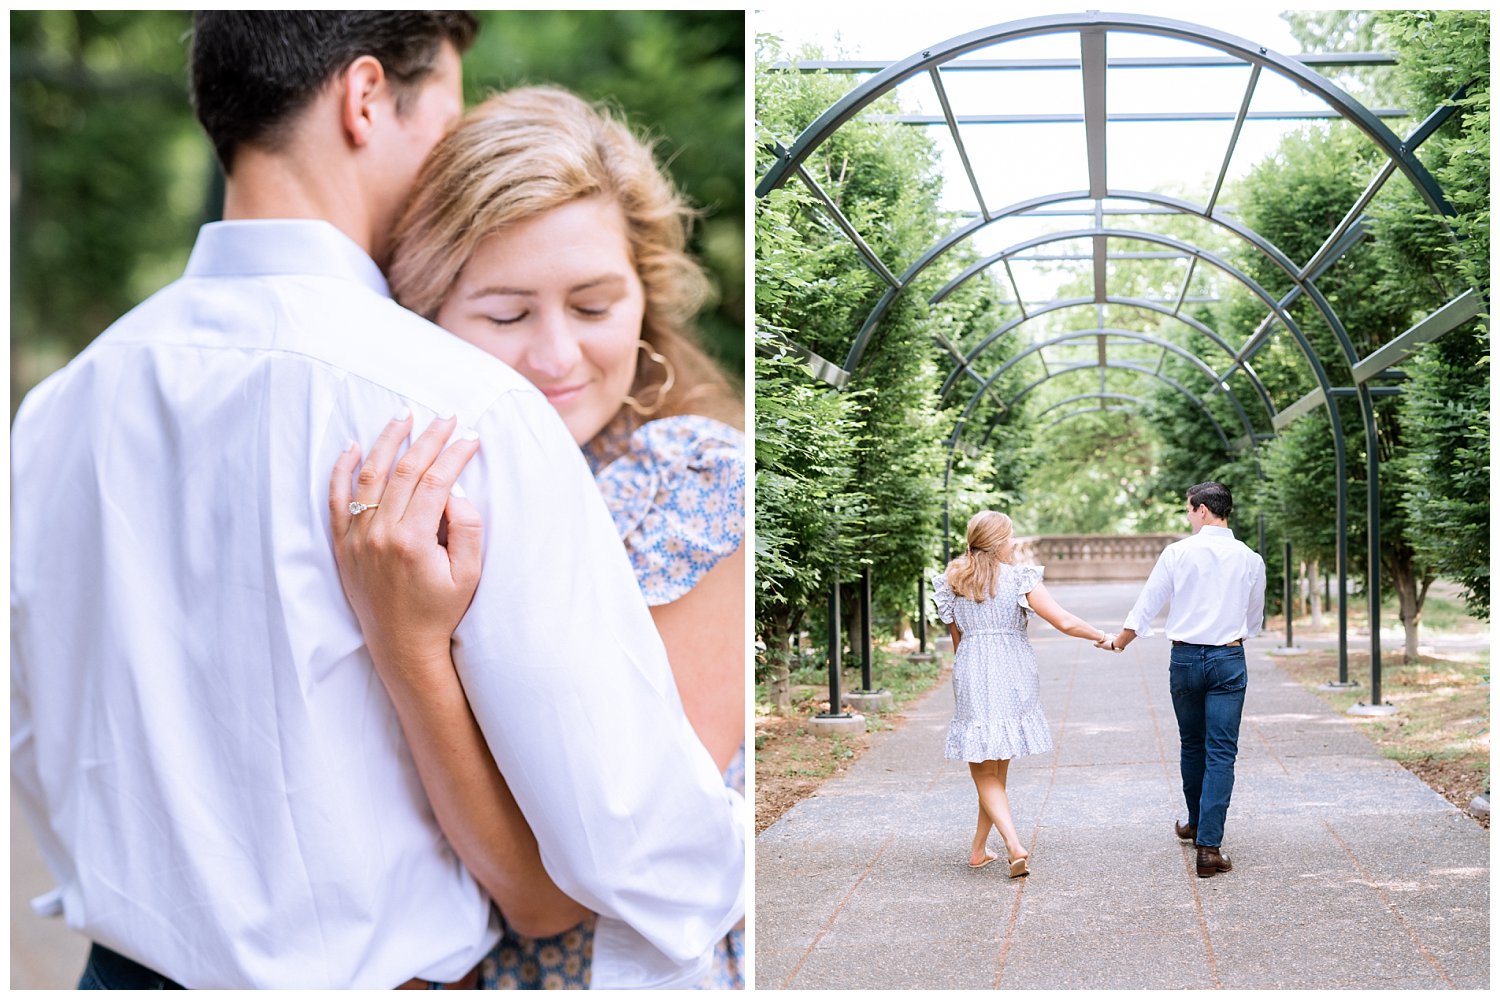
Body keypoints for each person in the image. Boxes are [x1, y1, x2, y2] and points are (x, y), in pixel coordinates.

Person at [10, 12, 742, 990]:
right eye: (449, 98)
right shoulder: (459, 408)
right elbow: (619, 848)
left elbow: (36, 742)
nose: (460, 130)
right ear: (364, 98)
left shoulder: (56, 412)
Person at [327, 86, 746, 989]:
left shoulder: (693, 480)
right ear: (423, 313)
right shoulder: (387, 495)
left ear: (647, 295)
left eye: (594, 307)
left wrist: (410, 647)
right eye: (508, 315)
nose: (555, 358)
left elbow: (560, 890)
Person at [1097, 481, 1266, 878]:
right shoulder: (1250, 558)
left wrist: (1120, 642)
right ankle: (1208, 845)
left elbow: (1148, 603)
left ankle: (1195, 822)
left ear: (1204, 510)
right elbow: (1254, 615)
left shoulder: (1177, 553)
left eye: (1189, 510)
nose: (1188, 517)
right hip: (1228, 657)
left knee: (1193, 744)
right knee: (1221, 751)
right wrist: (1235, 635)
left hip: (1186, 658)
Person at [932, 510, 1113, 878]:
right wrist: (1102, 637)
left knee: (984, 767)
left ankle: (1005, 846)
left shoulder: (952, 579)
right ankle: (986, 849)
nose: (1014, 543)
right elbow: (1063, 620)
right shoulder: (1018, 578)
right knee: (995, 764)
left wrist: (967, 675)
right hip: (1013, 672)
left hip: (972, 669)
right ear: (999, 541)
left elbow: (958, 641)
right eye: (1010, 536)